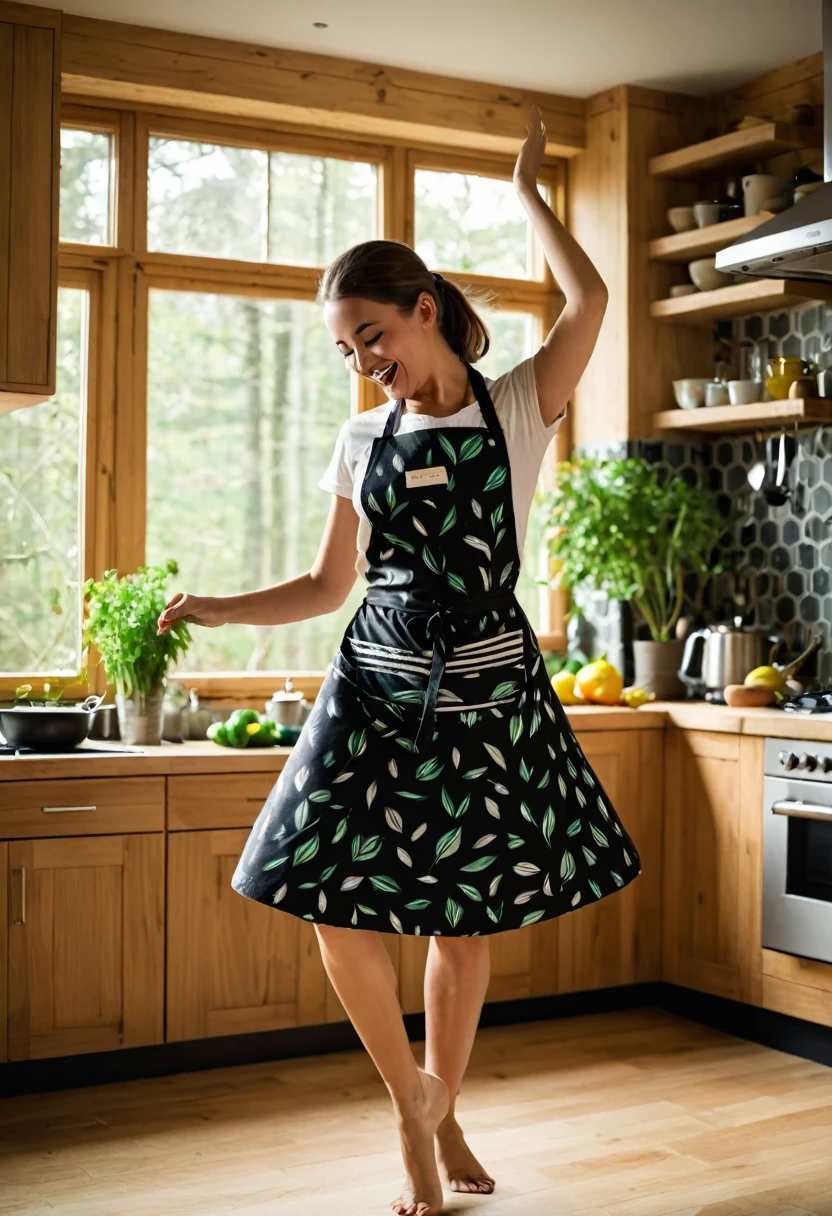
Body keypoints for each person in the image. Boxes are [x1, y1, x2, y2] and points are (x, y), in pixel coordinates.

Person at [157, 105, 642, 1216]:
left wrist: (527, 195)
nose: (364, 361)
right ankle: (409, 1101)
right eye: (346, 347)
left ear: (425, 310)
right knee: (333, 905)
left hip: (483, 694)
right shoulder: (360, 441)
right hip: (371, 690)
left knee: (460, 927)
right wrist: (219, 608)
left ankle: (438, 1106)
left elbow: (592, 301)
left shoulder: (517, 407)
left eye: (373, 333)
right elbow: (329, 586)